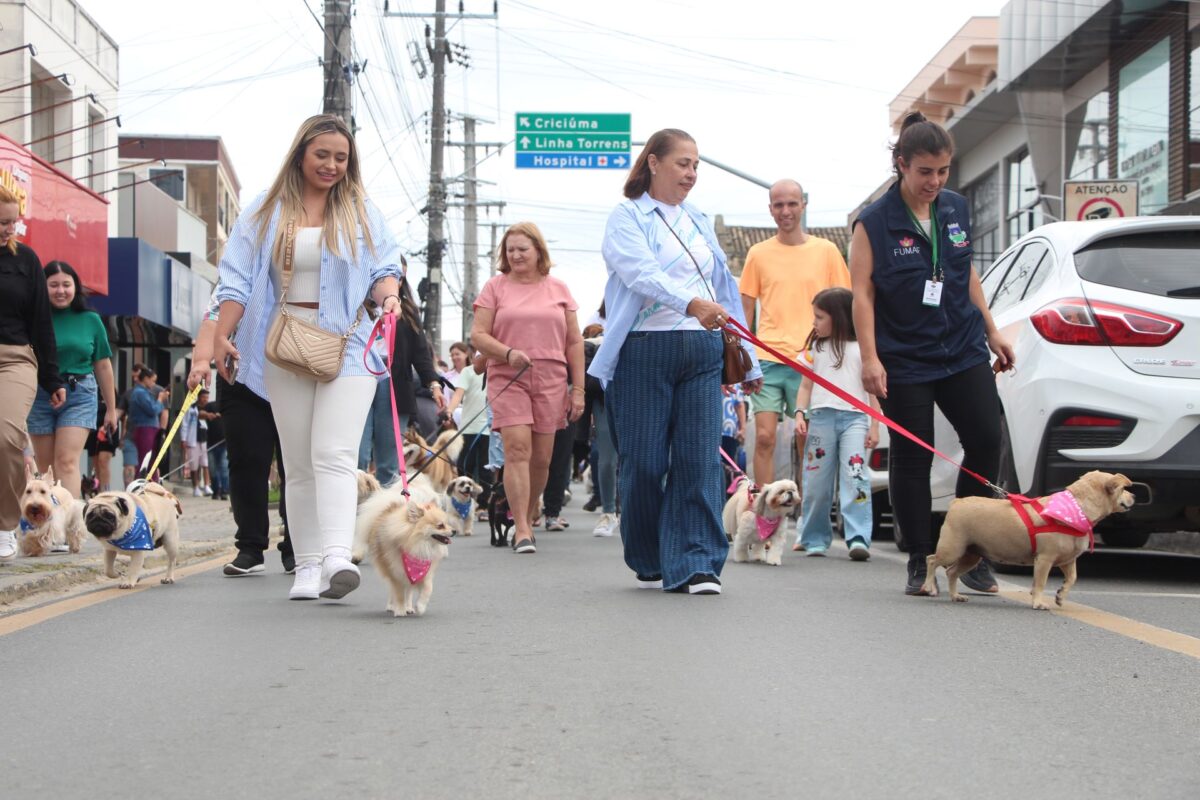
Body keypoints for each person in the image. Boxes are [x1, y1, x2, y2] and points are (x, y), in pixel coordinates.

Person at [213, 114, 403, 601]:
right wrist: (222, 335)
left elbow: (384, 266)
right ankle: (307, 566)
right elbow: (234, 280)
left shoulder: (361, 211)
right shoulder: (265, 209)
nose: (332, 165)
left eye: (342, 158)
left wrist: (389, 297)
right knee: (297, 463)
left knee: (335, 454)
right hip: (284, 343)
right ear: (300, 154)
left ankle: (338, 556)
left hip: (351, 342)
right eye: (322, 155)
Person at [589, 128, 762, 595]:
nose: (691, 173)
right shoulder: (627, 217)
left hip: (702, 350)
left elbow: (723, 289)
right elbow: (640, 272)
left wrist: (751, 360)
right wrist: (689, 303)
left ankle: (697, 562)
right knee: (643, 464)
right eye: (683, 163)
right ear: (654, 163)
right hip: (645, 349)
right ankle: (648, 552)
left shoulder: (699, 220)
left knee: (700, 458)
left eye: (696, 165)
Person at [851, 111, 1014, 596]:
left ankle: (968, 548)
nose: (935, 181)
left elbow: (966, 276)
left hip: (962, 347)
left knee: (986, 437)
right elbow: (861, 294)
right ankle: (920, 558)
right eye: (925, 171)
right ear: (901, 164)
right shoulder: (874, 223)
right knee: (912, 455)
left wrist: (992, 331)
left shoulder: (955, 209)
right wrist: (870, 358)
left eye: (943, 171)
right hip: (905, 357)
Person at [470, 221, 584, 555]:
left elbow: (574, 341)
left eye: (523, 249)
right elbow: (478, 335)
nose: (516, 255)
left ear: (538, 251)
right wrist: (506, 353)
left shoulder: (559, 289)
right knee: (517, 449)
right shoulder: (495, 287)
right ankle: (521, 527)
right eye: (510, 250)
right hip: (508, 374)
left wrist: (578, 389)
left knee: (541, 458)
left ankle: (530, 506)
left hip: (551, 375)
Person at [739, 179, 849, 486]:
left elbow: (845, 305)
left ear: (803, 205)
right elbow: (745, 310)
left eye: (791, 204)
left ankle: (807, 514)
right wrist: (740, 359)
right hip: (768, 358)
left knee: (809, 441)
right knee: (763, 438)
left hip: (813, 360)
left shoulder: (826, 251)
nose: (785, 211)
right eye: (778, 205)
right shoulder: (758, 254)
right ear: (771, 209)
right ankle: (764, 518)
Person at [188, 291, 293, 575]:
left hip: (295, 371)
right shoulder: (238, 267)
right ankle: (250, 546)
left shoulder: (301, 261)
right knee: (246, 462)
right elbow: (213, 317)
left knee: (295, 465)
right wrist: (200, 361)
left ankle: (297, 547)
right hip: (239, 375)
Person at [0, 186, 65, 563]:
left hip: (14, 358)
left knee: (6, 436)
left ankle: (6, 524)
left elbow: (42, 322)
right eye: (3, 222)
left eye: (14, 221)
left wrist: (52, 378)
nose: (11, 229)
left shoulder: (25, 260)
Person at [792, 288, 880, 559]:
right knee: (816, 482)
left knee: (856, 478)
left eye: (819, 317)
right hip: (820, 420)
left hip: (855, 419)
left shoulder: (864, 349)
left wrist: (875, 425)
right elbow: (806, 386)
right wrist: (799, 413)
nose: (813, 323)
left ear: (839, 317)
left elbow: (873, 390)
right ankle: (814, 537)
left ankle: (858, 538)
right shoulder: (815, 349)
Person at [26, 261, 118, 499]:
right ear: (41, 287)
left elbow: (103, 364)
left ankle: (69, 527)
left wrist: (111, 408)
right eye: (53, 285)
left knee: (66, 461)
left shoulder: (90, 319)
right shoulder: (32, 319)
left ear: (76, 287)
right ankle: (48, 527)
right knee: (45, 468)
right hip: (39, 393)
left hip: (80, 393)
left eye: (66, 285)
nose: (60, 291)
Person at [358, 278, 443, 486]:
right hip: (358, 379)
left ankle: (385, 512)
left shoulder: (406, 311)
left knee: (389, 461)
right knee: (357, 457)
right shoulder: (355, 306)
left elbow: (421, 352)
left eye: (398, 276)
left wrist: (433, 383)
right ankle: (351, 512)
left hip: (394, 384)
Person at [581, 323, 618, 537]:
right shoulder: (595, 338)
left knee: (642, 459)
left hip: (640, 391)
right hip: (604, 397)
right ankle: (609, 511)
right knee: (606, 459)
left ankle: (642, 511)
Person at [445, 347, 491, 510]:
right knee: (465, 467)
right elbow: (458, 394)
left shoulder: (497, 371)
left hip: (490, 429)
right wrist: (449, 410)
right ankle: (464, 503)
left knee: (487, 469)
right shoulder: (468, 372)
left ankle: (484, 505)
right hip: (468, 428)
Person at [127, 367, 167, 479]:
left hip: (150, 429)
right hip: (145, 429)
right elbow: (153, 410)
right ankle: (143, 484)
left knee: (151, 459)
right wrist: (160, 400)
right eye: (153, 381)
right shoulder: (140, 393)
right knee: (146, 459)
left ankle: (150, 482)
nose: (154, 384)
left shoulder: (144, 392)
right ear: (145, 379)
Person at [181, 388, 212, 497]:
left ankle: (207, 486)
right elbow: (184, 424)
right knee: (194, 466)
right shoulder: (191, 408)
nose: (205, 400)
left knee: (205, 464)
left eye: (207, 398)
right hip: (192, 440)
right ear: (199, 397)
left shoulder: (210, 408)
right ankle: (196, 487)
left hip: (204, 439)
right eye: (204, 397)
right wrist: (183, 439)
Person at [201, 388, 228, 501]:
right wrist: (208, 415)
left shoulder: (228, 406)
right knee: (212, 469)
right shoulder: (210, 405)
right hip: (211, 443)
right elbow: (199, 413)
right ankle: (216, 491)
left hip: (224, 443)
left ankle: (225, 491)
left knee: (223, 467)